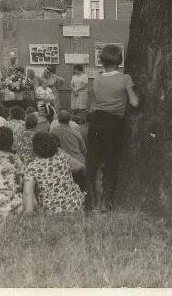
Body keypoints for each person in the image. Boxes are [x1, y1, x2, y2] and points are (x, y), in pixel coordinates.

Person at [86, 44, 139, 210]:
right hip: (114, 124)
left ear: (102, 61)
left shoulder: (97, 79)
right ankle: (106, 202)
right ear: (120, 60)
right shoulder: (125, 78)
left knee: (92, 162)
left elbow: (92, 106)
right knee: (111, 163)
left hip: (96, 121)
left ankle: (90, 202)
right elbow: (134, 102)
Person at [23, 132, 85, 214]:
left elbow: (28, 193)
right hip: (74, 205)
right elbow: (81, 167)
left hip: (50, 210)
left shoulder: (32, 167)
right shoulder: (63, 157)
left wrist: (29, 212)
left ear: (35, 148)